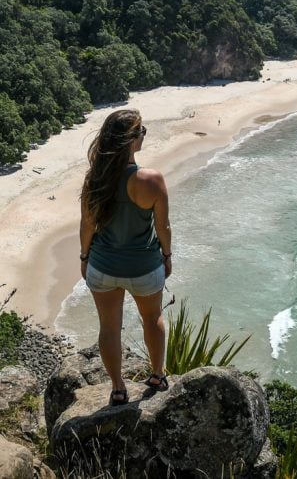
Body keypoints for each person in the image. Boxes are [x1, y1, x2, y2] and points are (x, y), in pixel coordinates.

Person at [79, 109, 173, 406]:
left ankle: (118, 388)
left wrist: (84, 257)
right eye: (141, 131)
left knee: (108, 327)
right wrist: (167, 256)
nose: (144, 135)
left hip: (103, 266)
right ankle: (157, 376)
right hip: (144, 267)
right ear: (132, 141)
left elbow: (87, 226)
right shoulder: (151, 180)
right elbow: (163, 227)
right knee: (152, 318)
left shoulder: (95, 180)